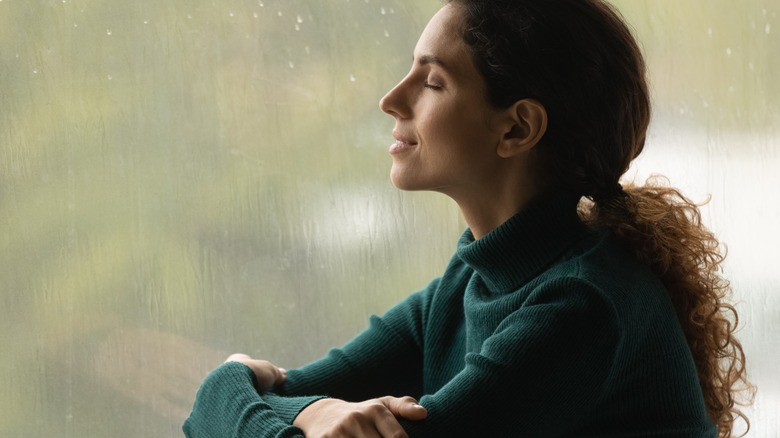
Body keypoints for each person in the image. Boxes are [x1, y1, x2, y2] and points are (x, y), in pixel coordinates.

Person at [184, 0, 752, 436]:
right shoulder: (468, 284)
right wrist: (309, 407)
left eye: (432, 82)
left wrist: (255, 388)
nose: (391, 99)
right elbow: (211, 407)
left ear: (516, 129)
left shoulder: (585, 306)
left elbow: (236, 399)